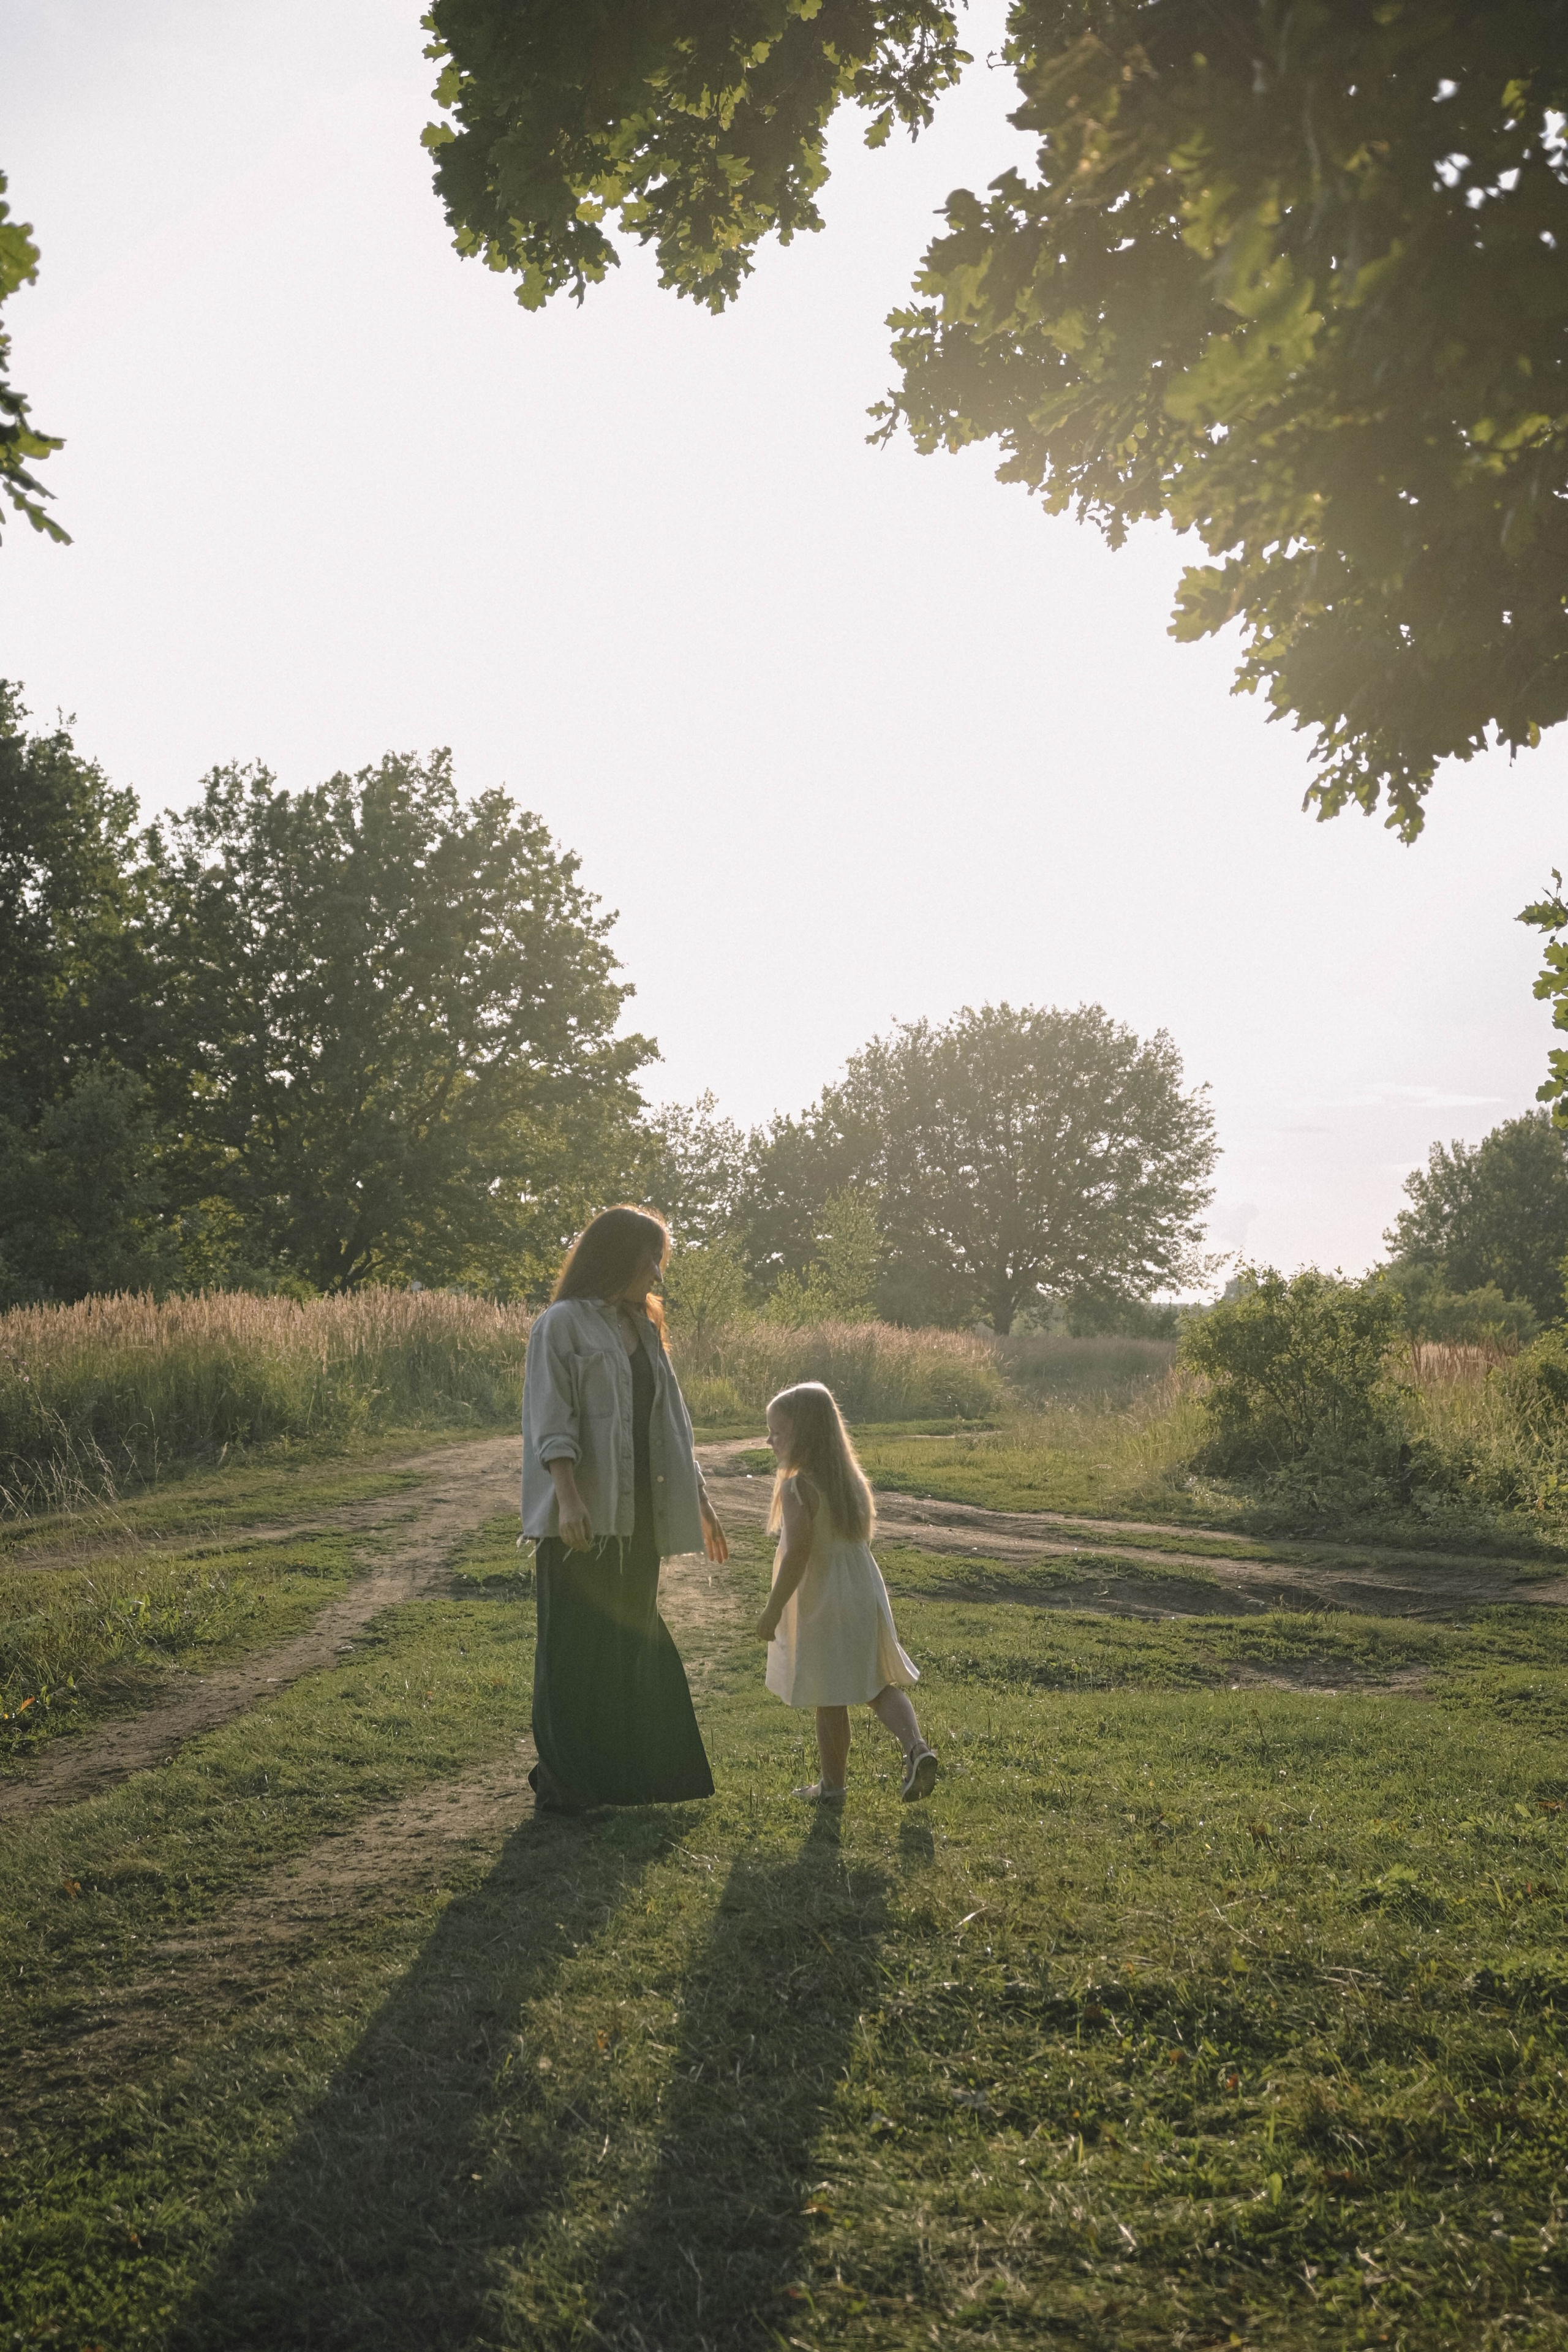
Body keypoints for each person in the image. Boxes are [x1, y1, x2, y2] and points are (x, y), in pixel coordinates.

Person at [521, 1204, 729, 1813]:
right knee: (574, 1649)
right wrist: (567, 1500)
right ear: (620, 1256)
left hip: (638, 1518)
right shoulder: (560, 1325)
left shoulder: (643, 1326)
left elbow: (671, 1426)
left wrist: (702, 1499)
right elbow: (550, 1419)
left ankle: (631, 1778)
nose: (658, 1276)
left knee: (629, 1643)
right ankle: (568, 1785)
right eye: (652, 1260)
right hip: (582, 1518)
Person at [755, 1381, 938, 1805]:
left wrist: (772, 1610)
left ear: (803, 1435)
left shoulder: (799, 1487)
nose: (770, 1440)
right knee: (875, 1685)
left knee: (828, 1696)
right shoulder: (849, 1481)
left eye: (778, 1433)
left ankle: (833, 1789)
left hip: (823, 1599)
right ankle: (917, 1749)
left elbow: (799, 1553)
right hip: (861, 1591)